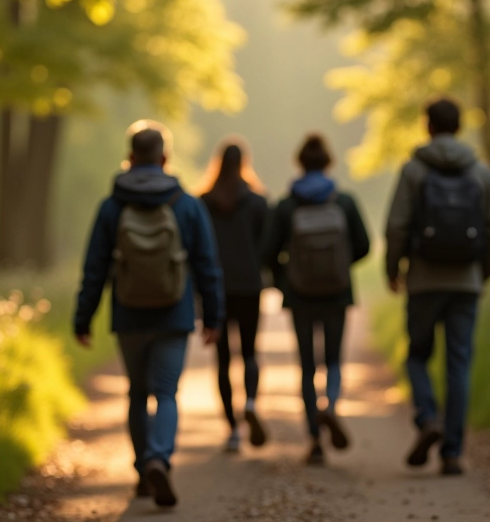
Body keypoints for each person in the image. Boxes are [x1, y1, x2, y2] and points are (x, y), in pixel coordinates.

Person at [73, 120, 224, 508]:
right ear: (165, 157)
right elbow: (207, 263)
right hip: (174, 314)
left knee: (137, 393)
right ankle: (160, 457)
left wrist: (83, 317)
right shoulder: (185, 203)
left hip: (129, 314)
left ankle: (142, 471)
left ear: (130, 157)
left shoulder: (112, 205)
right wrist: (213, 316)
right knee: (167, 392)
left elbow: (95, 267)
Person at [385, 99, 490, 476]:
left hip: (423, 279)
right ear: (459, 126)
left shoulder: (413, 170)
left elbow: (397, 226)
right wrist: (481, 273)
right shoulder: (479, 171)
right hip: (465, 282)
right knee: (459, 364)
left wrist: (394, 268)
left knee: (417, 355)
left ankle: (426, 417)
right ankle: (452, 453)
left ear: (428, 127)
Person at [264, 133, 370, 466]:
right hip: (337, 293)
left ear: (300, 163)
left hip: (300, 295)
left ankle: (314, 438)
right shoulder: (344, 201)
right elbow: (364, 245)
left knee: (308, 365)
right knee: (334, 359)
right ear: (328, 162)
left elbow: (267, 252)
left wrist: (287, 277)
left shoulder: (286, 204)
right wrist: (339, 266)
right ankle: (332, 407)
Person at [199, 137, 270, 453]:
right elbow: (267, 247)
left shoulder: (203, 202)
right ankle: (251, 402)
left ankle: (231, 429)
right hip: (249, 286)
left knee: (223, 359)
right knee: (251, 352)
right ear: (244, 162)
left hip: (217, 287)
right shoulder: (257, 202)